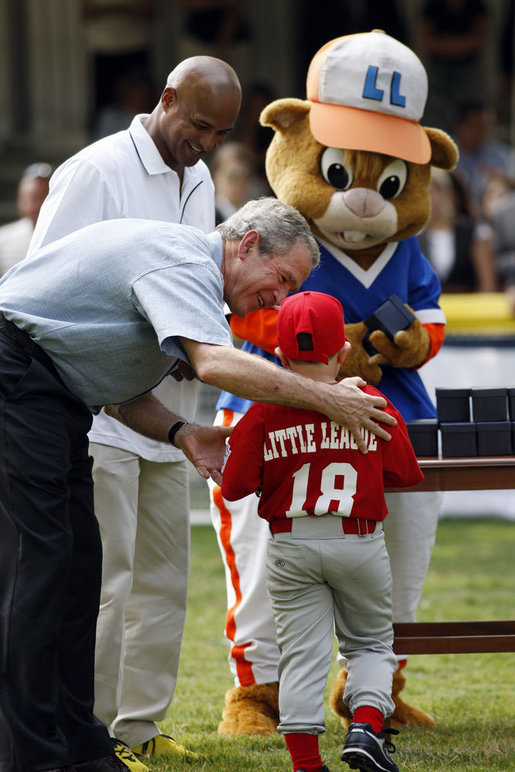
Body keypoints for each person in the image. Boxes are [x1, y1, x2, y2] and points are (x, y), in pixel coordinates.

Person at [0, 197, 397, 772]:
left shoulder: (191, 276)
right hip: (14, 380)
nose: (280, 299)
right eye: (281, 279)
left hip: (53, 397)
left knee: (77, 569)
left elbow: (116, 388)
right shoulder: (185, 262)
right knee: (34, 571)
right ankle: (27, 755)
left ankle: (73, 740)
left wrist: (183, 431)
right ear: (248, 243)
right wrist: (329, 397)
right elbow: (215, 364)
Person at [27, 56, 242, 768]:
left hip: (171, 413)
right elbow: (45, 285)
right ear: (166, 98)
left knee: (165, 579)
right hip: (98, 407)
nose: (204, 143)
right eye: (198, 125)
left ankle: (140, 726)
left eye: (218, 134)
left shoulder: (200, 176)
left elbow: (198, 278)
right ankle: (86, 730)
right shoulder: (92, 171)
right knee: (105, 580)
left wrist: (194, 334)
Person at [221, 291, 423, 772]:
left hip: (292, 542)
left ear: (280, 355)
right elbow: (405, 474)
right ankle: (366, 724)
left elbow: (233, 487)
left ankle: (307, 763)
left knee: (301, 657)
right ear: (340, 353)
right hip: (358, 538)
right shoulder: (370, 400)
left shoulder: (263, 412)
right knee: (371, 645)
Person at [417, 167, 497, 293]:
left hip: (469, 309)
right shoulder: (414, 238)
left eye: (431, 191)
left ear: (446, 194)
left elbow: (487, 285)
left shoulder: (475, 233)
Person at [0, 162, 52, 276]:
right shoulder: (3, 238)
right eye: (29, 198)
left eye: (41, 198)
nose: (34, 206)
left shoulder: (68, 235)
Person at [210, 141, 259, 224]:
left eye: (246, 175)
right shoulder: (207, 214)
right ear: (216, 176)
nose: (240, 181)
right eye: (232, 175)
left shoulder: (256, 218)